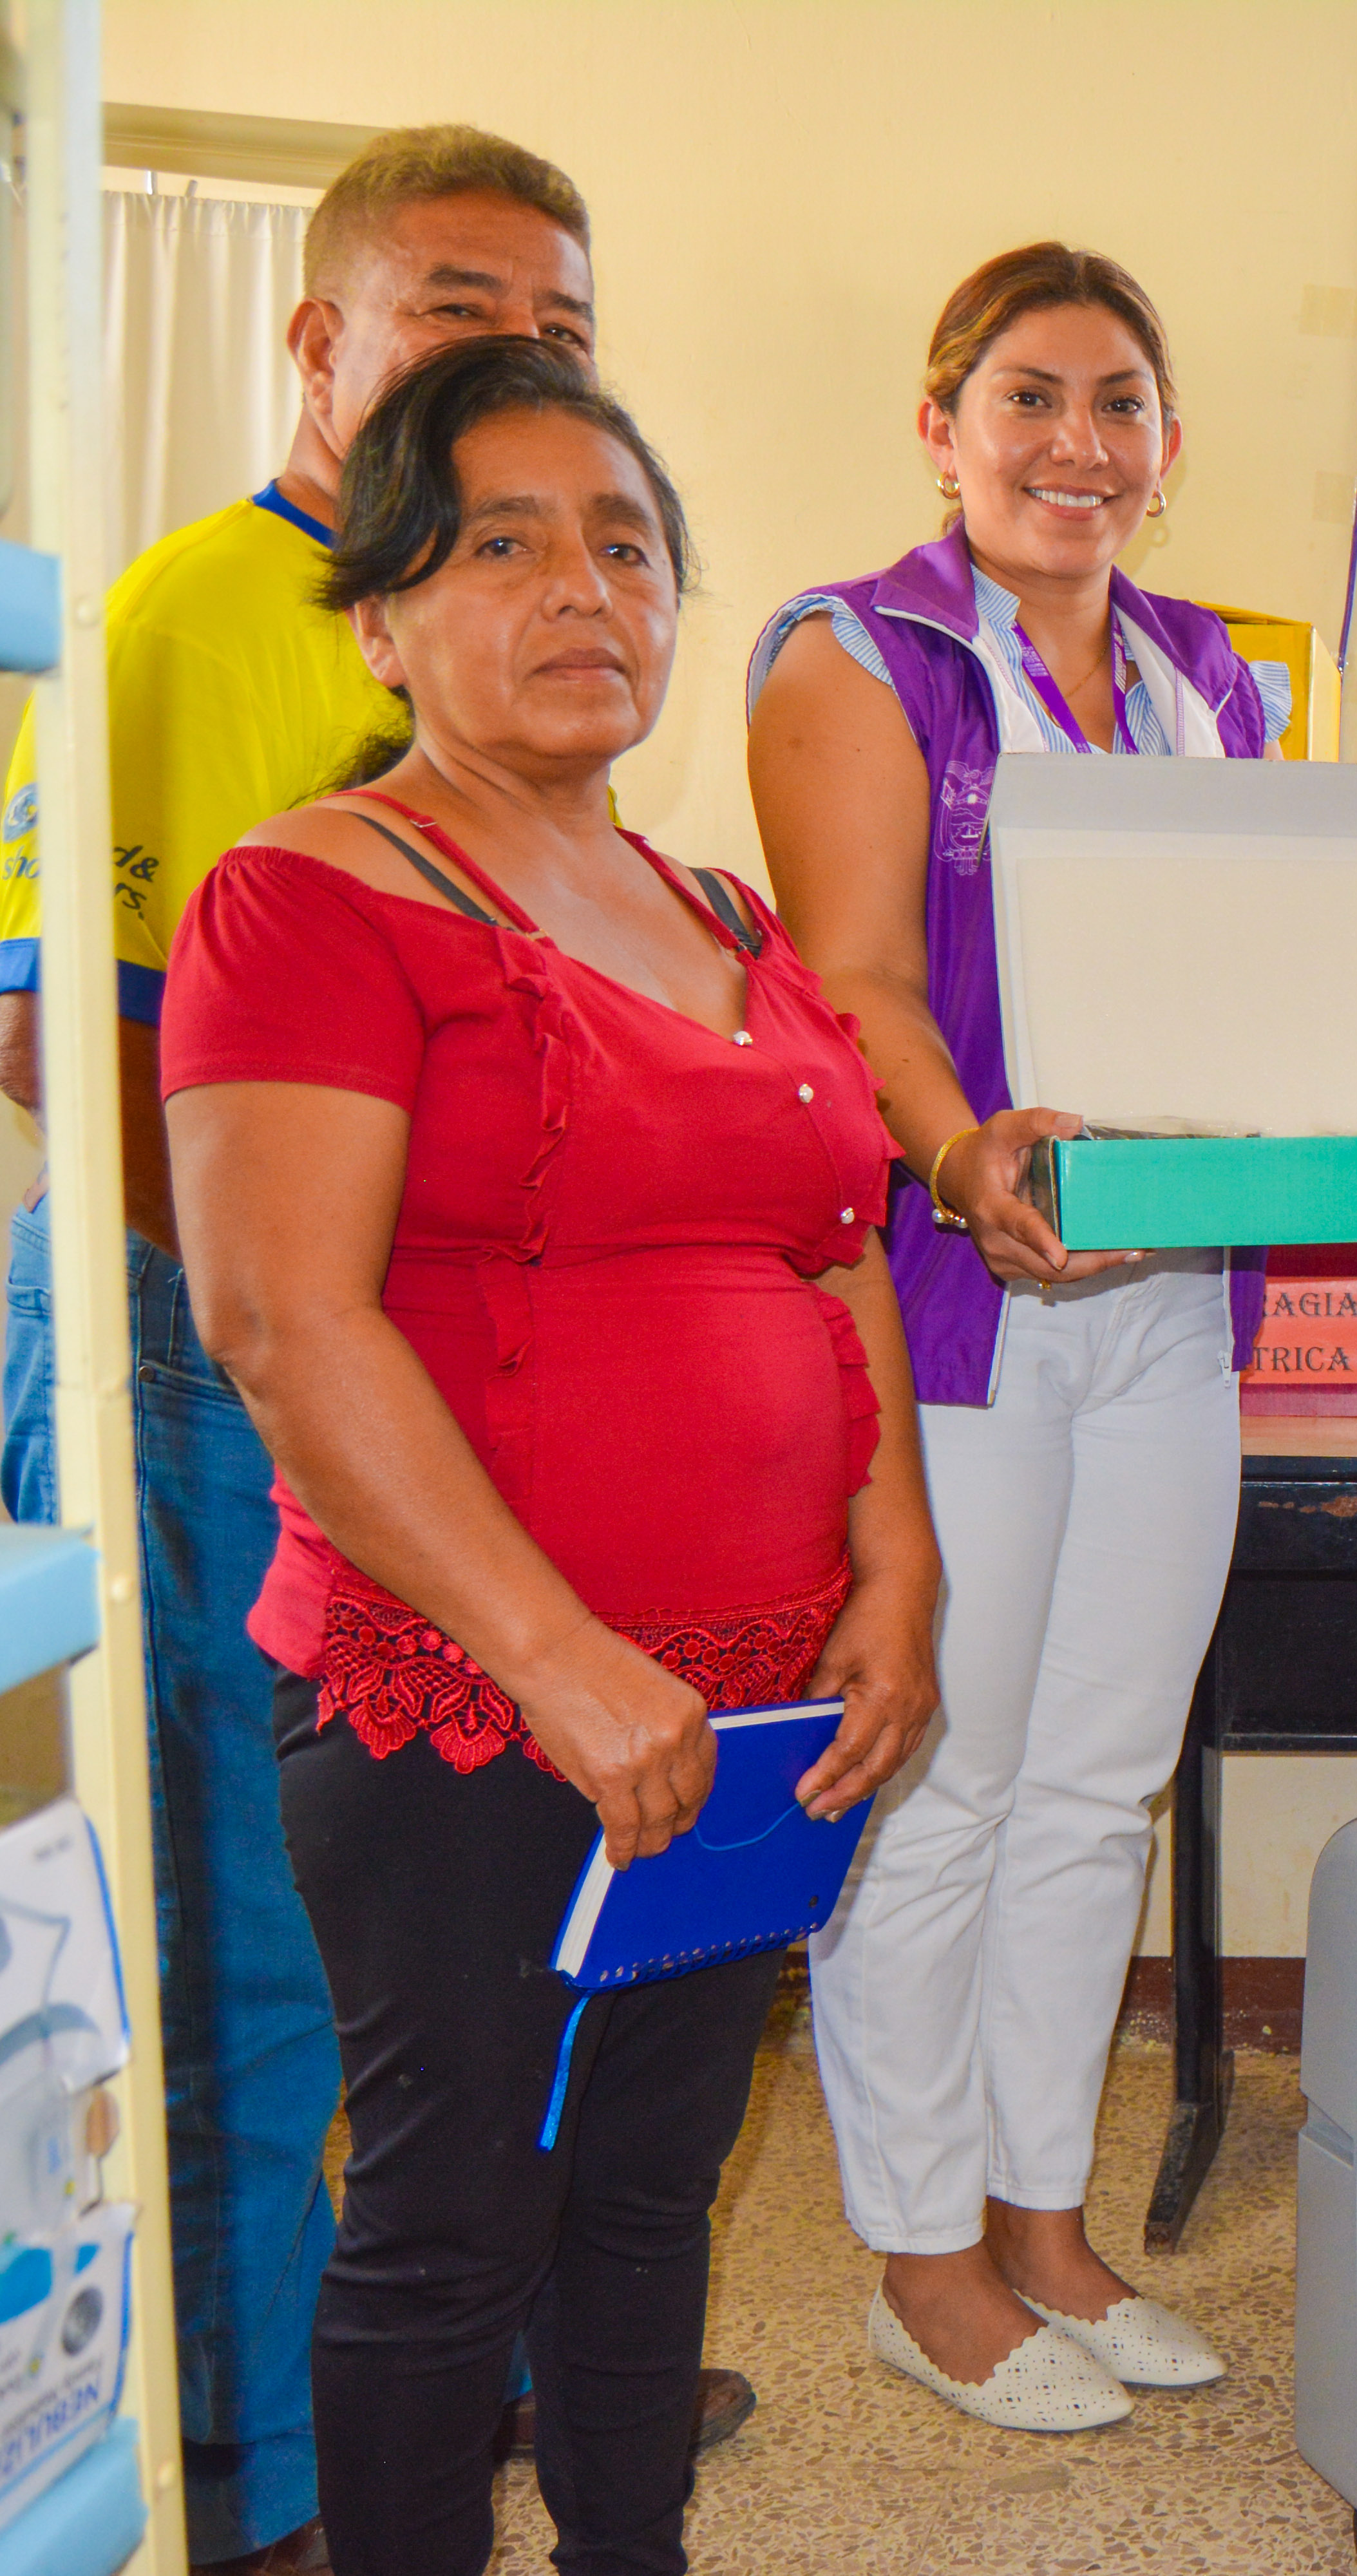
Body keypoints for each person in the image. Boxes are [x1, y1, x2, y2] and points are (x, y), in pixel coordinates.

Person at [0, 126, 743, 2575]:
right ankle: (273, 2480)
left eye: (562, 320)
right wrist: (312, 1322)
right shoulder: (189, 611)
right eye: (455, 304)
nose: (514, 348)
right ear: (319, 341)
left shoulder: (646, 848)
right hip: (216, 1366)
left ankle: (508, 2362)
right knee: (278, 1975)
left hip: (448, 1394)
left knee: (524, 2000)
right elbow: (63, 1045)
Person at [163, 337, 936, 2576]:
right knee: (451, 2225)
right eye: (502, 543)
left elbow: (838, 1251)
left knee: (649, 2199)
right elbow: (279, 1321)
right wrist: (559, 1661)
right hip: (470, 1701)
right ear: (382, 616)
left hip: (753, 1705)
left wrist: (898, 1571)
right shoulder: (308, 897)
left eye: (625, 545)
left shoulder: (728, 920)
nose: (582, 587)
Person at [748, 242, 1274, 2432]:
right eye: (1031, 398)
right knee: (948, 1784)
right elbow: (856, 980)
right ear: (941, 425)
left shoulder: (1208, 676)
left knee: (1097, 1783)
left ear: (1167, 445)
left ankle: (1047, 2221)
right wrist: (969, 1155)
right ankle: (920, 2255)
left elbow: (1254, 970)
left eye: (1120, 402)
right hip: (955, 1300)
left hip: (1170, 1299)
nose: (1079, 442)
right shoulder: (853, 656)